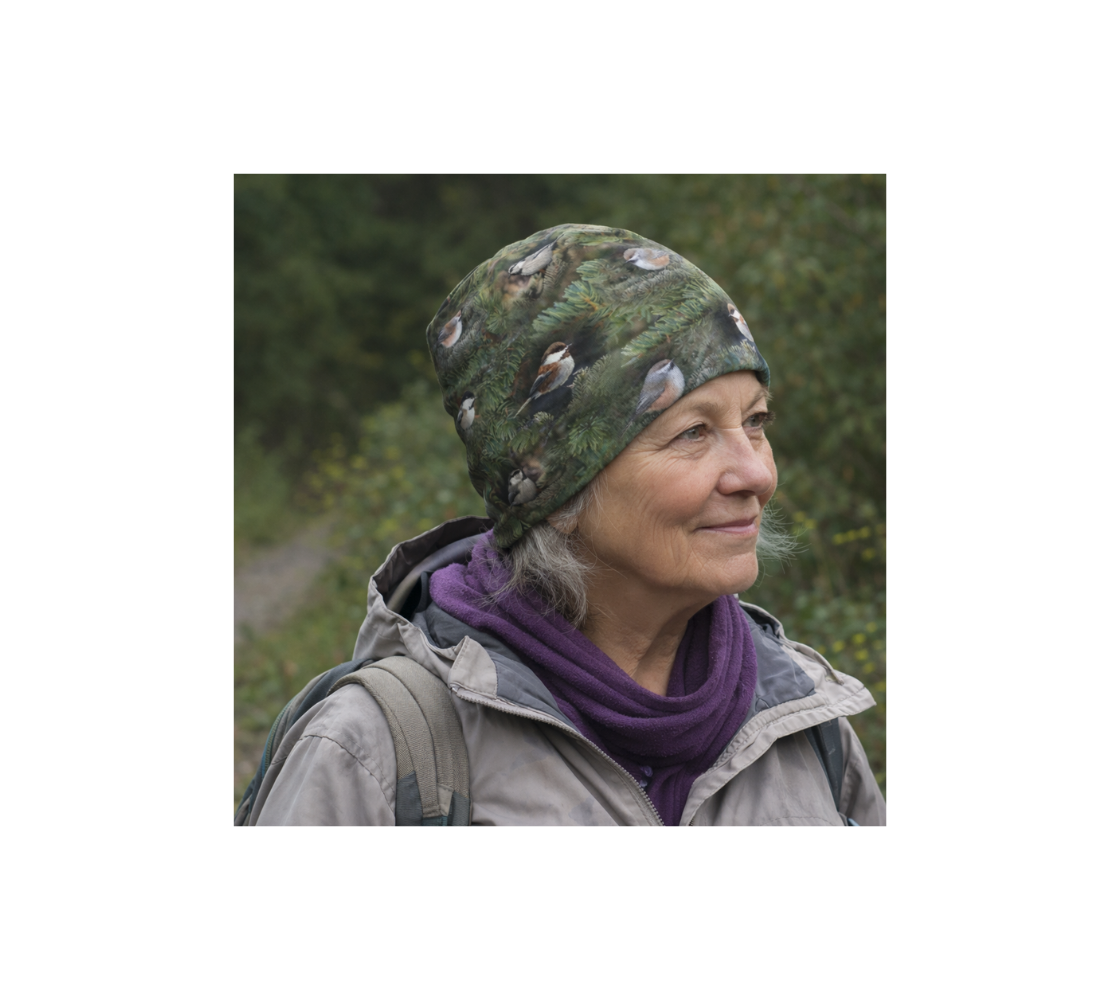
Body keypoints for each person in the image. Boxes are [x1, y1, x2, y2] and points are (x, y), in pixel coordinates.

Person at [248, 224, 887, 827]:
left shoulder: (803, 724)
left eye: (756, 422)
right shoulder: (375, 751)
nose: (756, 475)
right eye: (693, 433)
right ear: (556, 486)